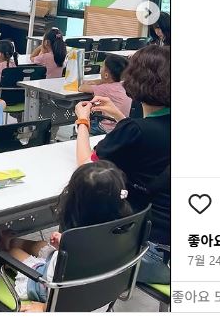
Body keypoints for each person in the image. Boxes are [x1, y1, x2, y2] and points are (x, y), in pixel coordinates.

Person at [74, 45, 170, 284]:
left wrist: (83, 121)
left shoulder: (135, 130)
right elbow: (147, 137)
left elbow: (87, 167)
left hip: (144, 251)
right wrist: (118, 115)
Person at [0, 161, 133, 312]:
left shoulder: (78, 252)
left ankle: (5, 248)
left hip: (48, 286)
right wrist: (64, 244)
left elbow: (69, 293)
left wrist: (45, 308)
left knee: (13, 253)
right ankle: (12, 241)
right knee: (41, 245)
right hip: (79, 274)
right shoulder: (121, 236)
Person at [79, 54, 131, 133]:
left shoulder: (106, 88)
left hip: (107, 128)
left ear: (106, 75)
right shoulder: (124, 85)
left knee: (80, 123)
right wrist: (101, 81)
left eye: (102, 67)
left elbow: (81, 88)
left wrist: (97, 82)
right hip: (122, 125)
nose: (100, 69)